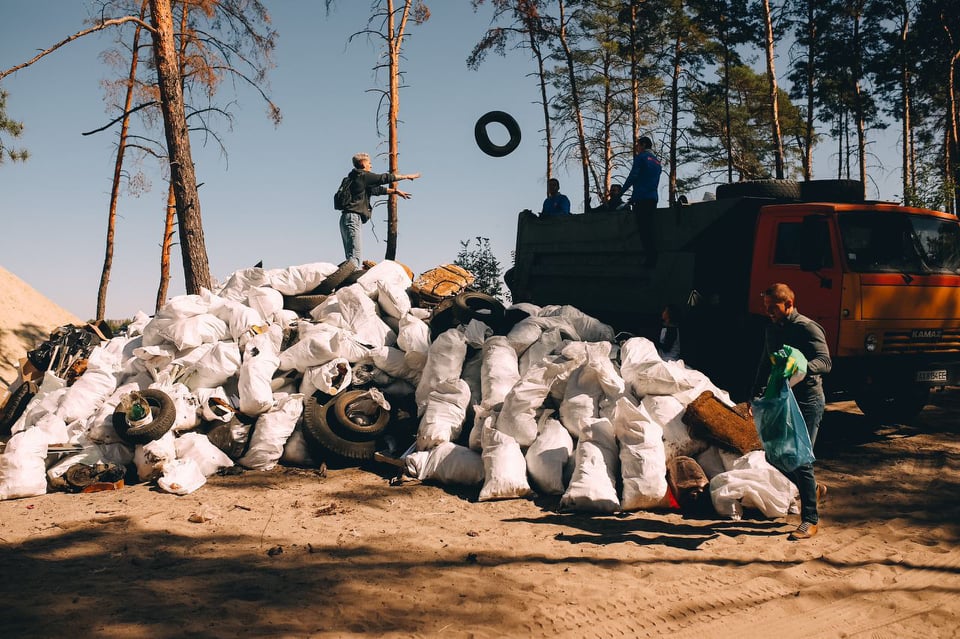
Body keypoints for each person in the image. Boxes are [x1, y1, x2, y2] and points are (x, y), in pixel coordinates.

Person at [753, 282, 832, 540]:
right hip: (781, 402)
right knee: (773, 455)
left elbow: (825, 361)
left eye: (773, 307)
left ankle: (810, 520)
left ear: (789, 304)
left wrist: (802, 366)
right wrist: (754, 394)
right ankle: (813, 489)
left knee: (802, 459)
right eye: (766, 308)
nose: (769, 312)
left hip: (807, 401)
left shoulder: (807, 328)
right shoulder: (771, 330)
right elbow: (765, 362)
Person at [339, 152, 420, 267]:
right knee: (355, 257)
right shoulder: (363, 175)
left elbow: (377, 190)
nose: (371, 166)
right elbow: (384, 178)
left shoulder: (353, 178)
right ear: (362, 164)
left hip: (345, 219)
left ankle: (347, 278)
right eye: (369, 163)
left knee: (351, 255)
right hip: (353, 217)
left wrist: (395, 191)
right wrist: (406, 176)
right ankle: (352, 280)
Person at [621, 136, 662, 262]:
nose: (637, 148)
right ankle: (652, 256)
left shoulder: (641, 158)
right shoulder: (657, 162)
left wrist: (621, 192)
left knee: (643, 230)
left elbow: (633, 176)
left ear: (643, 145)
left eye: (638, 145)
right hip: (653, 197)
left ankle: (650, 258)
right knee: (650, 227)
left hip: (642, 198)